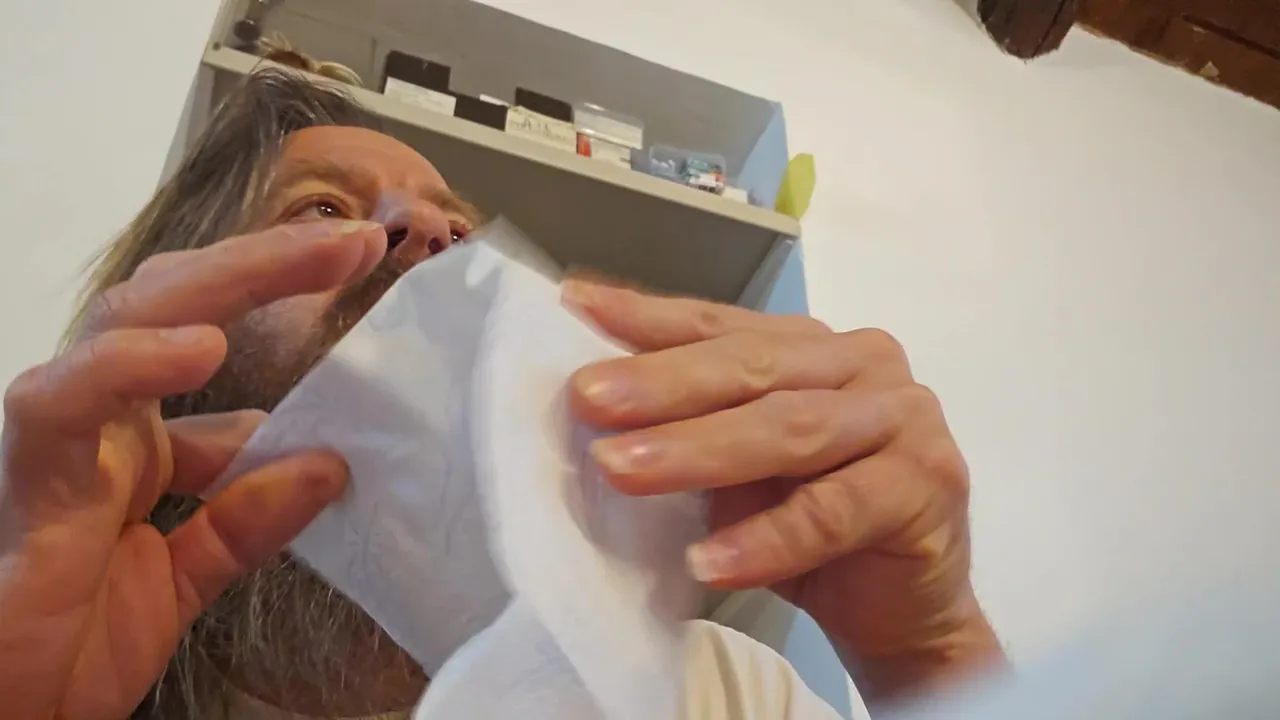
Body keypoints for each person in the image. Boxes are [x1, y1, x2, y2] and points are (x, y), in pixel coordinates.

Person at [0, 69, 1003, 720]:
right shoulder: (60, 667)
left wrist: (932, 653)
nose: (429, 234)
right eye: (321, 210)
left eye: (461, 233)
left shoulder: (718, 693)